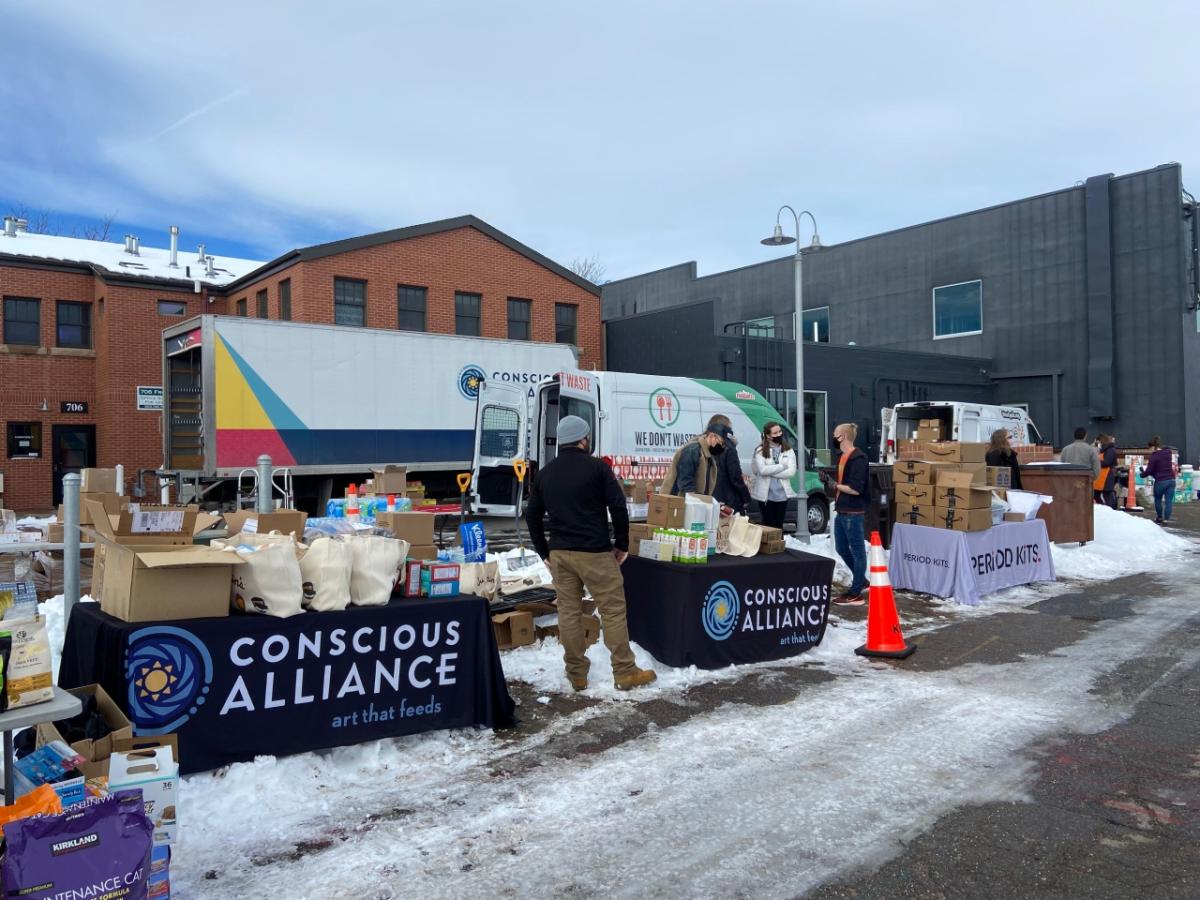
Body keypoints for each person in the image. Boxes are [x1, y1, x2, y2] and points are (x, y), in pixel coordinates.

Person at [526, 415, 656, 692]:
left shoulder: (545, 473)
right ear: (585, 439)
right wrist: (622, 544)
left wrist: (543, 551)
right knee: (612, 611)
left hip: (560, 552)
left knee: (569, 613)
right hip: (595, 552)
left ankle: (576, 674)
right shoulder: (598, 468)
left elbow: (532, 515)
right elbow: (618, 507)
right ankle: (624, 671)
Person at [831, 423, 871, 606]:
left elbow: (856, 489)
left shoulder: (858, 459)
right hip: (842, 509)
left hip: (853, 511)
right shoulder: (842, 456)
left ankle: (855, 593)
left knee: (857, 551)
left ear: (844, 437)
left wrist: (835, 485)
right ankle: (860, 580)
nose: (833, 436)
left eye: (835, 434)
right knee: (841, 547)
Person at [750, 421, 796, 529]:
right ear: (768, 436)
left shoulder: (788, 451)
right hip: (766, 496)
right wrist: (782, 466)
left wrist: (771, 472)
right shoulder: (760, 450)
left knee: (779, 526)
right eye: (775, 433)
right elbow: (762, 470)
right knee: (769, 526)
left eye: (780, 431)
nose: (779, 434)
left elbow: (791, 472)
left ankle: (779, 546)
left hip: (782, 495)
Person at [664, 423, 726, 496]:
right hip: (678, 501)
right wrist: (696, 502)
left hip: (692, 501)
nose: (721, 446)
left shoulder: (708, 456)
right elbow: (685, 481)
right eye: (720, 442)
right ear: (712, 436)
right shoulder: (692, 450)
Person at [707, 414, 752, 515]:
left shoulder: (705, 444)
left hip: (709, 497)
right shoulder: (728, 448)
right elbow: (735, 476)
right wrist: (746, 497)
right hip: (727, 499)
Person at [1140, 436, 1177, 525]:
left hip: (1161, 481)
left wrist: (1142, 474)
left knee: (1158, 499)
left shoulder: (1154, 456)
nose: (1150, 451)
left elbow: (1150, 470)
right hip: (1172, 480)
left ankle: (1159, 518)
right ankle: (1166, 520)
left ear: (1153, 447)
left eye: (1150, 449)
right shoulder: (1168, 453)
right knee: (1168, 501)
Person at [1094, 434, 1118, 508]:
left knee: (1107, 495)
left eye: (1098, 442)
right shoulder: (1104, 450)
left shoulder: (1111, 450)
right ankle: (1104, 509)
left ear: (1101, 441)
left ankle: (1110, 511)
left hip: (1107, 477)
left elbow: (1106, 462)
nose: (1098, 444)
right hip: (1101, 477)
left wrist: (1095, 461)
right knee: (1096, 495)